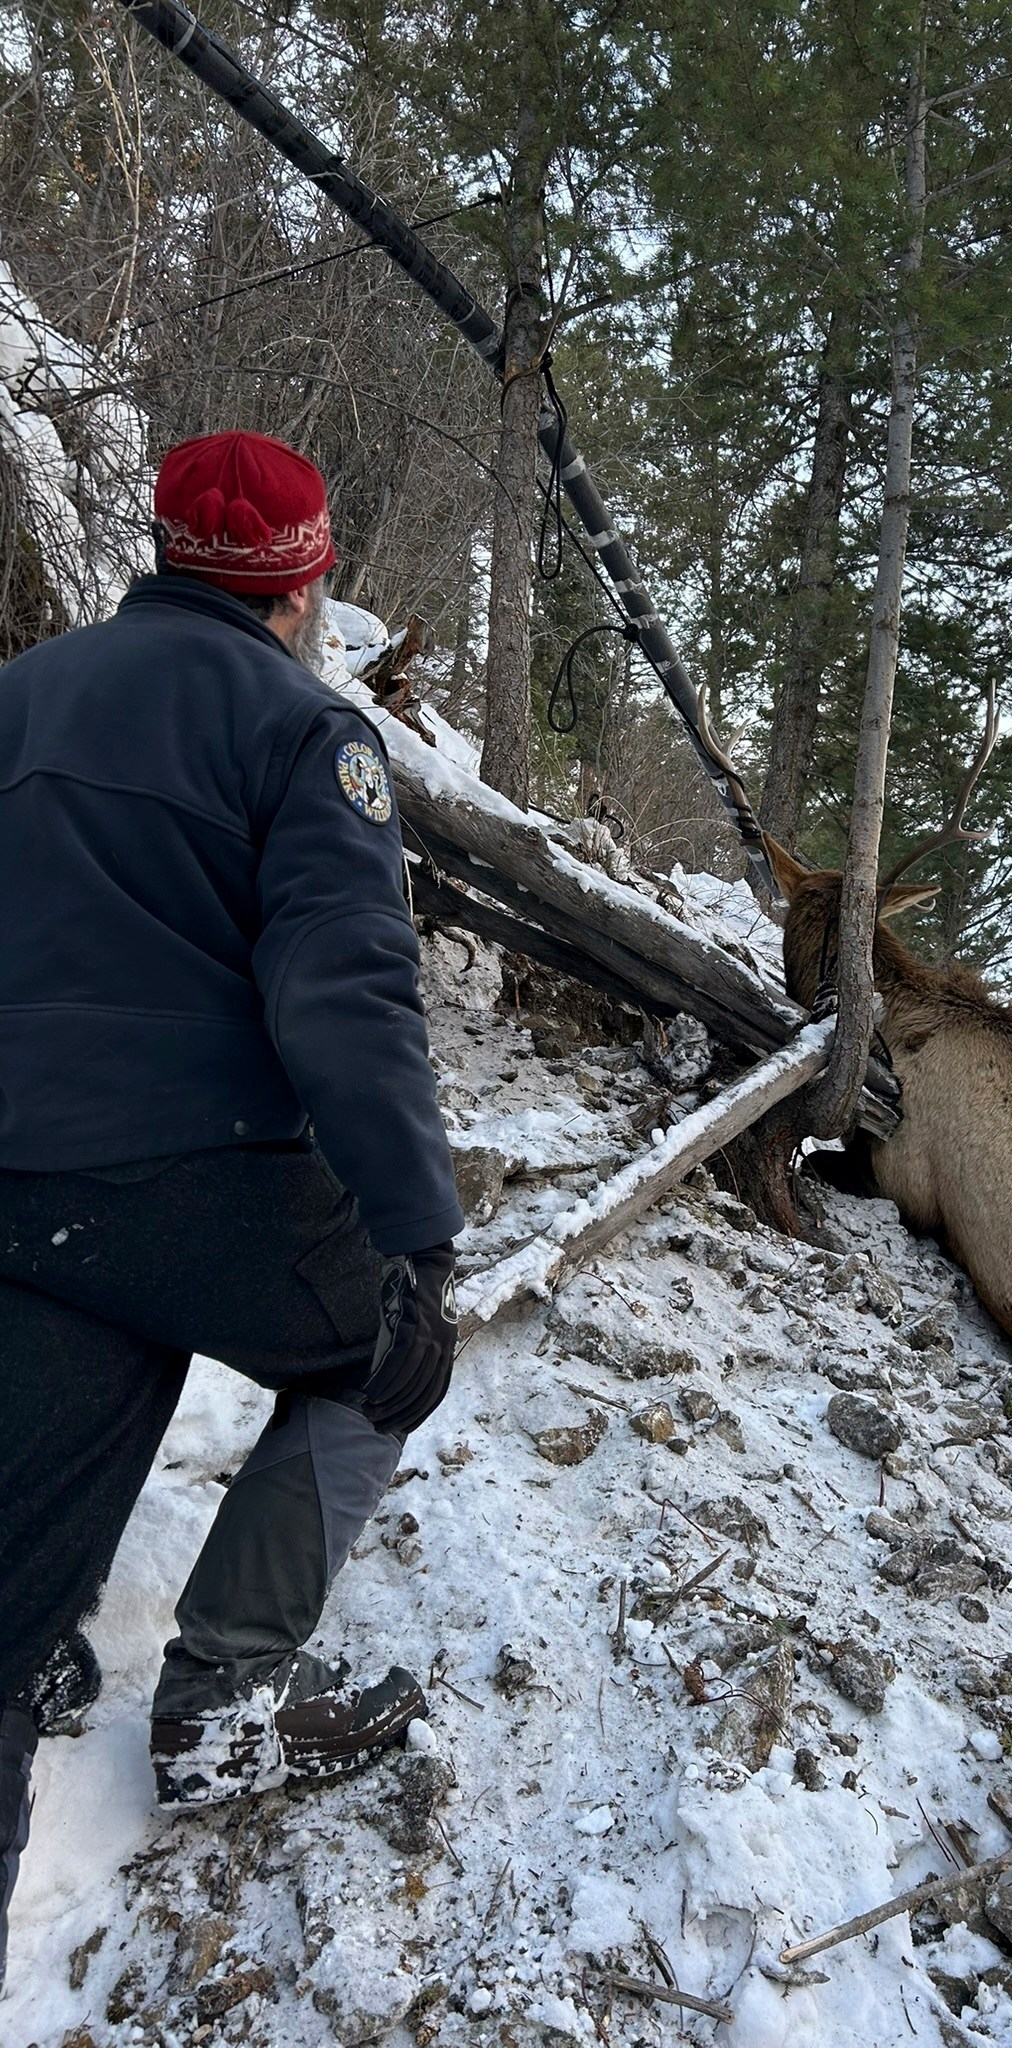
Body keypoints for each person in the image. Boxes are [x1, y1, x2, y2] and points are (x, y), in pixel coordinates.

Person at [0, 430, 464, 1990]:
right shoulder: (303, 730)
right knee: (387, 1356)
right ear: (306, 579)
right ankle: (223, 1699)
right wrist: (417, 1236)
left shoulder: (19, 697)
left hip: (13, 1179)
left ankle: (40, 1633)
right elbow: (346, 996)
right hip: (202, 1175)